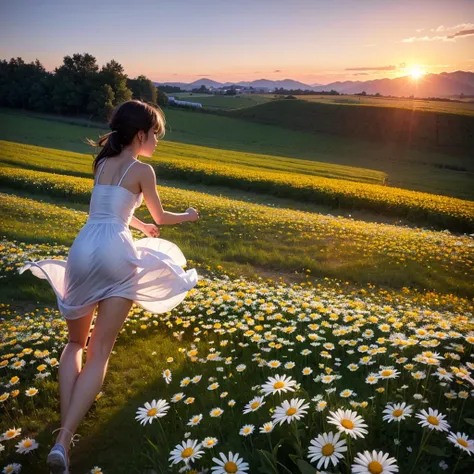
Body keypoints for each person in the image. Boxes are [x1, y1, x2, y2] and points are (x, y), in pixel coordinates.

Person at [18, 99, 200, 474]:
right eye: (155, 134)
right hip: (116, 251)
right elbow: (161, 217)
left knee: (74, 344)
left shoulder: (101, 163)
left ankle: (62, 435)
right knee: (99, 351)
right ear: (140, 135)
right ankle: (64, 440)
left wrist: (138, 226)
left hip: (84, 248)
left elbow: (105, 211)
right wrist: (189, 215)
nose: (157, 141)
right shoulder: (142, 170)